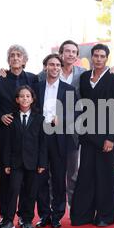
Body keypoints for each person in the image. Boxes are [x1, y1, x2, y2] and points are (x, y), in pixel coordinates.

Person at [70, 43, 114, 227]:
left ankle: (104, 216)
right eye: (96, 55)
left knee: (105, 176)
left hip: (106, 137)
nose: (99, 59)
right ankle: (82, 215)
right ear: (91, 57)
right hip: (87, 135)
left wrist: (111, 137)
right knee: (86, 174)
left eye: (102, 56)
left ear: (106, 58)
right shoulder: (85, 77)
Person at [0, 45, 38, 228]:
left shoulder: (33, 79)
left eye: (19, 55)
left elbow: (38, 104)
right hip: (6, 135)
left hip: (29, 137)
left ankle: (25, 218)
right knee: (7, 179)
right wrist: (0, 116)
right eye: (12, 55)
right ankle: (6, 217)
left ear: (25, 59)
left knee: (28, 181)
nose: (15, 58)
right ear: (8, 60)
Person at [38, 40, 85, 210]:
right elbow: (29, 86)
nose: (71, 54)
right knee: (52, 174)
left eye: (74, 52)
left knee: (72, 173)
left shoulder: (83, 74)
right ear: (61, 53)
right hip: (49, 132)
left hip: (71, 132)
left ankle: (75, 208)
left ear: (77, 55)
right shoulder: (45, 74)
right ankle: (53, 208)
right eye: (68, 51)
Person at [35, 54, 77, 228]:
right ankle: (44, 215)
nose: (55, 67)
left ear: (61, 67)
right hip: (40, 137)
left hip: (59, 137)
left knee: (59, 178)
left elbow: (75, 112)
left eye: (57, 65)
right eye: (51, 64)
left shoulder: (69, 89)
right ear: (45, 67)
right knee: (41, 178)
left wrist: (62, 118)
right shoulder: (36, 87)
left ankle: (57, 215)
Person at [0, 85, 47, 228]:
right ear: (17, 99)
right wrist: (6, 163)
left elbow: (43, 143)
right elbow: (7, 143)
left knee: (30, 192)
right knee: (13, 190)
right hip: (15, 162)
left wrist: (42, 163)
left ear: (32, 99)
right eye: (22, 96)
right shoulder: (11, 118)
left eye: (28, 96)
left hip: (33, 163)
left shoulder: (40, 119)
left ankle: (27, 220)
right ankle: (8, 221)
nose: (25, 99)